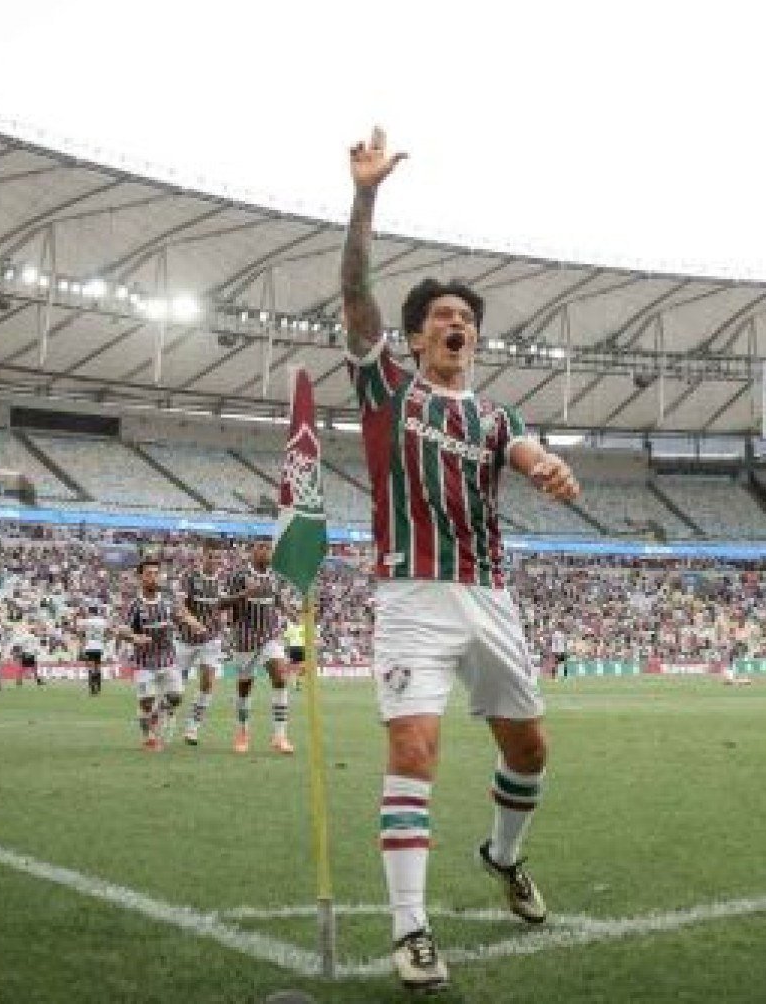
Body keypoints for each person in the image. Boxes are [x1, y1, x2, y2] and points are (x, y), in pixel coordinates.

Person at [341, 127, 582, 992]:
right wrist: (367, 195)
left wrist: (548, 467)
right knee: (414, 746)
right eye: (443, 317)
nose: (458, 325)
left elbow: (528, 456)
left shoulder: (496, 417)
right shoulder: (387, 389)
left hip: (488, 595)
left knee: (530, 749)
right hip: (411, 594)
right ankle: (410, 928)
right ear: (412, 339)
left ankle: (501, 853)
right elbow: (355, 292)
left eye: (467, 321)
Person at [116, 555, 198, 751]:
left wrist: (192, 622)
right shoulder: (135, 604)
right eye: (148, 574)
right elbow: (122, 629)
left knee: (176, 696)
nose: (153, 577)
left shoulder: (168, 599)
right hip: (144, 661)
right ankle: (149, 737)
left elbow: (181, 614)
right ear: (140, 577)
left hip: (168, 658)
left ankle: (164, 713)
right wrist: (135, 638)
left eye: (156, 573)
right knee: (146, 702)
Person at [222, 541, 293, 755]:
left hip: (270, 634)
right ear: (253, 552)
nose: (266, 552)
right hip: (245, 636)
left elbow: (278, 599)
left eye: (269, 548)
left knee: (280, 677)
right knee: (245, 687)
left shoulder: (276, 575)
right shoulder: (239, 575)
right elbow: (222, 603)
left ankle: (280, 736)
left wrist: (291, 612)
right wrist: (245, 593)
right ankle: (242, 731)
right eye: (261, 547)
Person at [176, 544, 232, 745]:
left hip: (211, 639)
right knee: (175, 691)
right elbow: (180, 607)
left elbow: (223, 606)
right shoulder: (189, 577)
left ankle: (192, 728)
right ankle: (165, 720)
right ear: (203, 557)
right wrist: (193, 622)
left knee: (207, 682)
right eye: (211, 557)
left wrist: (224, 622)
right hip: (186, 639)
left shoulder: (222, 580)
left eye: (218, 557)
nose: (215, 561)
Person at [77, 604, 112, 696]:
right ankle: (99, 688)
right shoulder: (103, 621)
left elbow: (80, 632)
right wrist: (105, 640)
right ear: (97, 611)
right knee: (98, 667)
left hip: (89, 646)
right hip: (99, 646)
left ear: (90, 611)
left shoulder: (85, 621)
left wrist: (82, 643)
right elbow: (109, 632)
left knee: (90, 667)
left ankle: (92, 689)